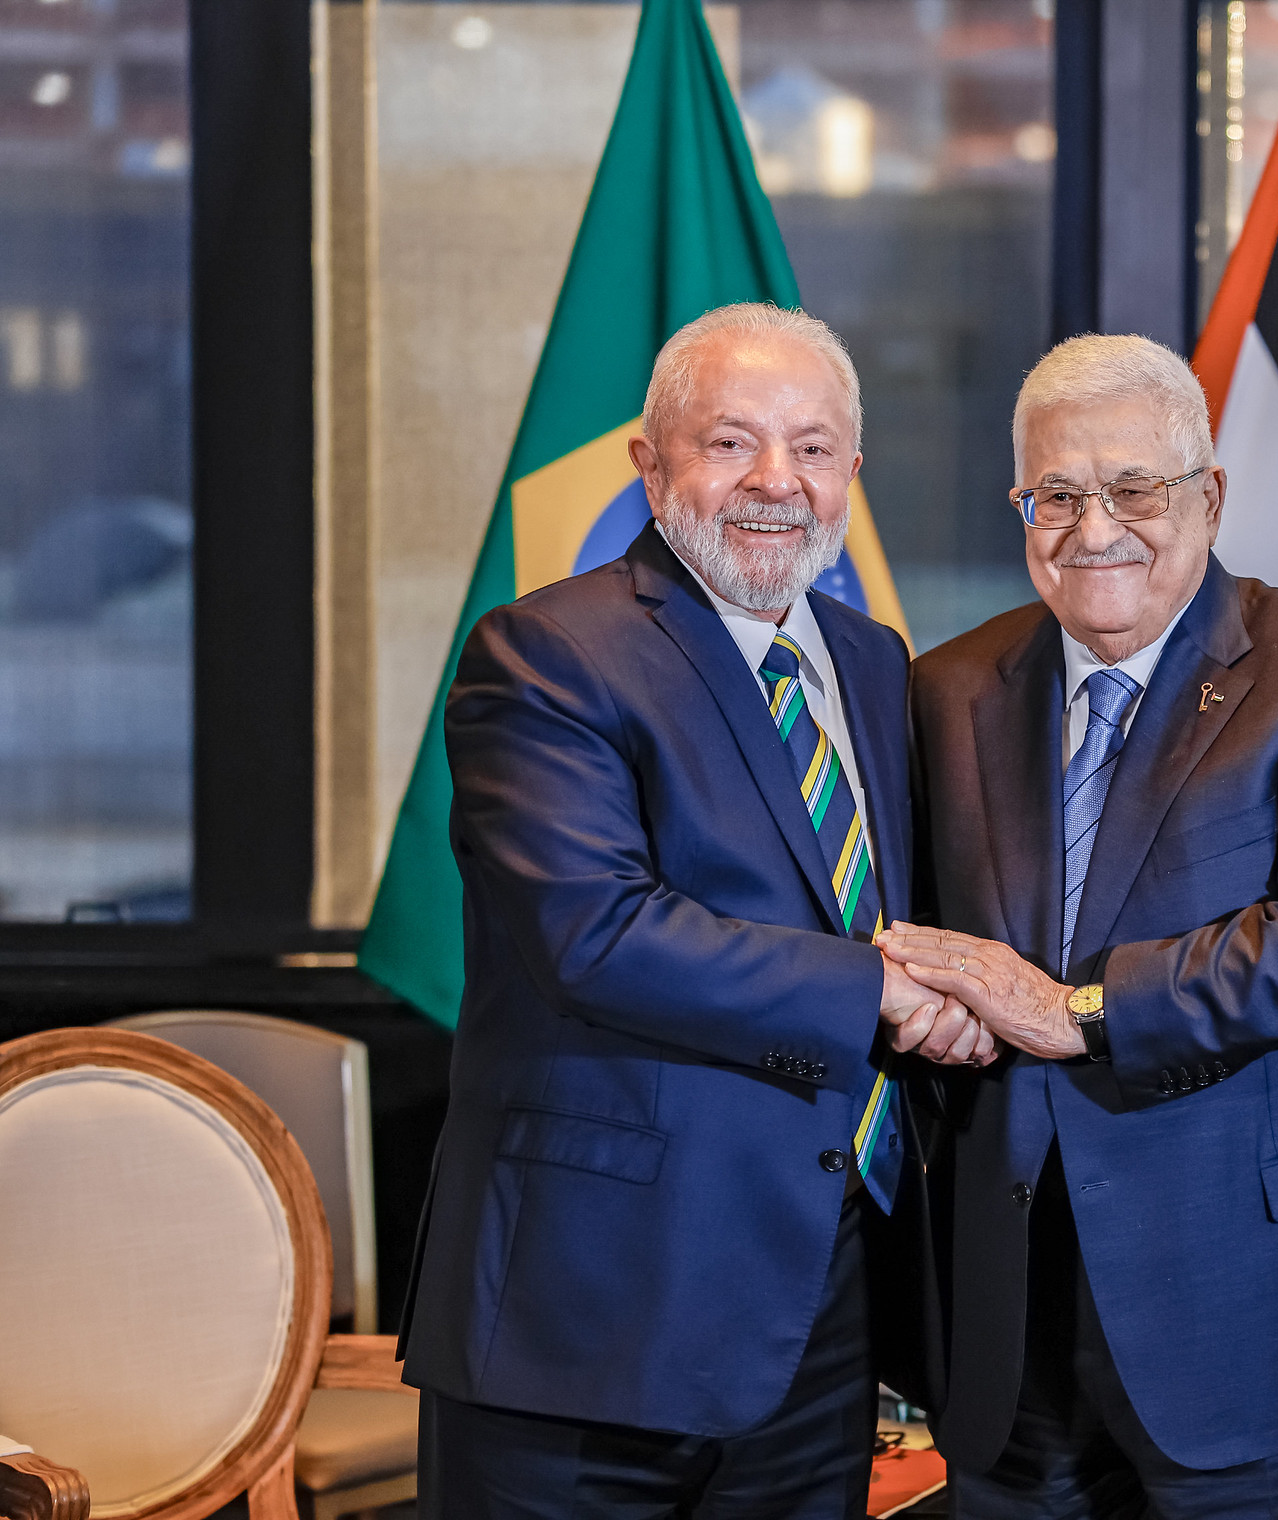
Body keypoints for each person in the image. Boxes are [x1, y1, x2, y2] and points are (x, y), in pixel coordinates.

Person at [880, 334, 1278, 1519]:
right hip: (1011, 1322)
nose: (1092, 527)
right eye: (1055, 495)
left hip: (1262, 1311)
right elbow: (932, 937)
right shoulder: (946, 687)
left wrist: (1077, 1010)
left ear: (1207, 496)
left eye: (1132, 488)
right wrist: (930, 1005)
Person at [400, 303, 991, 1518]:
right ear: (650, 462)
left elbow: (885, 903)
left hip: (816, 1304)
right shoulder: (545, 653)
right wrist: (882, 991)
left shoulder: (872, 660)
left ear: (851, 471)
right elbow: (595, 935)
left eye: (812, 447)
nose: (776, 479)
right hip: (588, 1311)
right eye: (730, 442)